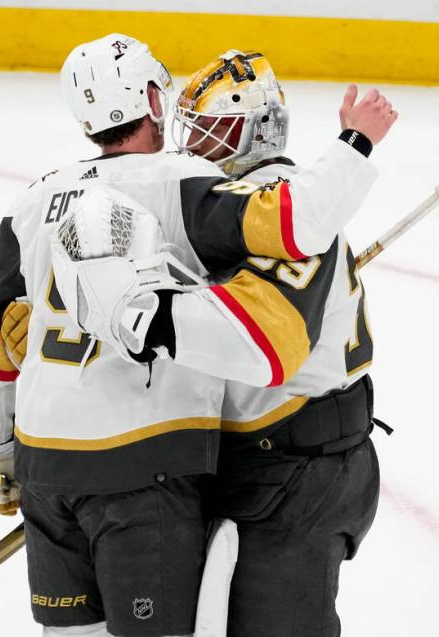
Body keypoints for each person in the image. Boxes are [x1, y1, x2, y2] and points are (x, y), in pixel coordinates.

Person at [0, 34, 393, 636]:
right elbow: (296, 221)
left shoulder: (35, 201)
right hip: (159, 466)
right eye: (198, 123)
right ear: (155, 101)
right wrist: (354, 146)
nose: (201, 140)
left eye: (219, 128)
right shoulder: (185, 186)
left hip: (288, 468)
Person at [169, 49, 390, 636]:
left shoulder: (281, 204)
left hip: (300, 467)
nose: (195, 144)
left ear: (255, 131)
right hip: (282, 455)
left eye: (213, 129)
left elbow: (267, 349)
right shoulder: (252, 206)